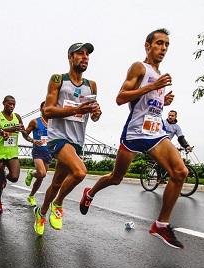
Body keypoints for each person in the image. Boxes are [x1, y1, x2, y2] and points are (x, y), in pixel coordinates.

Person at [79, 28, 188, 249]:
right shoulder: (140, 67)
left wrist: (162, 99)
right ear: (147, 46)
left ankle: (161, 224)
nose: (163, 48)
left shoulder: (160, 75)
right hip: (135, 133)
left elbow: (147, 102)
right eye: (159, 43)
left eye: (166, 45)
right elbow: (120, 98)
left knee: (180, 172)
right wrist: (153, 87)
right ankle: (90, 192)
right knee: (116, 177)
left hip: (155, 132)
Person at [33, 42, 102, 236]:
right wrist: (76, 109)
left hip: (76, 141)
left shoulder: (92, 85)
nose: (85, 57)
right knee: (80, 172)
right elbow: (47, 110)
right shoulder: (58, 79)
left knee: (56, 184)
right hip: (57, 138)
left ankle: (41, 212)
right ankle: (58, 203)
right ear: (70, 57)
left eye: (87, 54)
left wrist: (96, 112)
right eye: (80, 54)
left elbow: (94, 115)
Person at [0, 95, 27, 214]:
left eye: (14, 104)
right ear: (4, 103)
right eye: (9, 104)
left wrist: (32, 140)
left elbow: (24, 132)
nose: (12, 106)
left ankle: (5, 179)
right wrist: (9, 130)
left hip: (12, 153)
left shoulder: (17, 117)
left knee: (14, 177)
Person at [23, 101, 52, 207]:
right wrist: (33, 140)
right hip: (38, 152)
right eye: (44, 107)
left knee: (40, 177)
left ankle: (31, 196)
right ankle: (31, 173)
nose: (47, 109)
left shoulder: (54, 123)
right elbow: (25, 134)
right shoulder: (35, 122)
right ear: (41, 109)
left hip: (48, 153)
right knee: (42, 173)